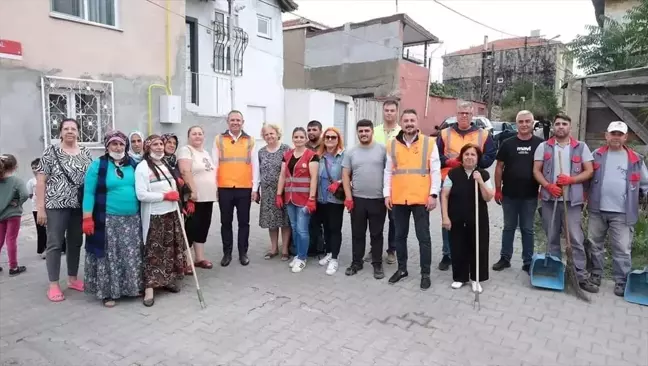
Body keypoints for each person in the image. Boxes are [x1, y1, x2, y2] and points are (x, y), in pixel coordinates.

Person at [533, 113, 596, 293]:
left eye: (564, 124)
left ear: (570, 127)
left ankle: (580, 276)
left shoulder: (581, 147)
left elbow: (589, 171)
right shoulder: (544, 147)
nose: (561, 127)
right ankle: (555, 270)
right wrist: (548, 185)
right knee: (551, 237)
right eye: (558, 124)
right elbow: (536, 171)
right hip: (549, 199)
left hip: (572, 201)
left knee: (575, 239)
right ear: (553, 127)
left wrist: (571, 180)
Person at [586, 121, 648, 296]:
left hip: (623, 212)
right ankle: (595, 274)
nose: (615, 137)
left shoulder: (635, 159)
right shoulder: (596, 155)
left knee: (622, 248)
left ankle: (621, 281)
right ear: (606, 135)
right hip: (597, 209)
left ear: (625, 137)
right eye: (613, 133)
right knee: (594, 244)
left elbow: (646, 184)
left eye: (619, 134)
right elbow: (584, 177)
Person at [82, 131, 142, 308]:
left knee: (130, 255)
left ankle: (131, 288)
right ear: (107, 146)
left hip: (132, 220)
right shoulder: (98, 166)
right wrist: (87, 218)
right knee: (109, 256)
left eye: (121, 144)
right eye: (114, 144)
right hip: (107, 220)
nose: (118, 147)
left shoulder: (134, 164)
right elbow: (89, 192)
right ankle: (108, 292)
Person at [36, 118, 93, 302]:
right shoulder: (50, 152)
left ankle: (72, 278)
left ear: (78, 132)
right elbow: (41, 181)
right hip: (56, 206)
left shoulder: (85, 152)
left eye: (73, 129)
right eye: (66, 128)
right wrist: (40, 209)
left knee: (75, 242)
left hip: (79, 206)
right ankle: (53, 284)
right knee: (54, 243)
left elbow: (91, 179)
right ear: (60, 132)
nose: (70, 131)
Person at [384, 109, 441, 290]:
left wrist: (433, 194)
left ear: (417, 123)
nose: (409, 123)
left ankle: (425, 274)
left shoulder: (429, 143)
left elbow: (435, 171)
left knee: (423, 237)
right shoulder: (392, 144)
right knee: (400, 237)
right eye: (406, 120)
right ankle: (402, 269)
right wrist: (387, 194)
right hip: (399, 198)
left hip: (421, 199)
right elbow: (388, 171)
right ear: (402, 123)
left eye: (412, 120)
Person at [436, 101, 496, 271]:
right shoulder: (445, 133)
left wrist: (476, 163)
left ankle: (469, 252)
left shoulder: (482, 134)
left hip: (473, 178)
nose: (464, 116)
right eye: (461, 113)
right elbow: (435, 156)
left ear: (472, 116)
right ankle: (447, 254)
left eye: (467, 114)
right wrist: (449, 161)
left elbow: (491, 155)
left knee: (471, 217)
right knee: (448, 218)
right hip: (449, 178)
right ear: (456, 114)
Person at [135, 135, 186, 307]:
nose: (159, 147)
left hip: (171, 213)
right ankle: (149, 287)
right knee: (154, 252)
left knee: (170, 249)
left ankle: (167, 280)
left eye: (161, 144)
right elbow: (141, 195)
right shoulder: (142, 168)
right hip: (155, 216)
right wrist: (164, 196)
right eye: (155, 145)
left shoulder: (165, 164)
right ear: (148, 148)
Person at [493, 110, 543, 273]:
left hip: (530, 195)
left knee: (527, 228)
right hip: (509, 195)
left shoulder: (540, 144)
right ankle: (505, 258)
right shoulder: (507, 143)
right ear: (517, 124)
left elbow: (545, 169)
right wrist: (498, 189)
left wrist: (544, 189)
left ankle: (528, 261)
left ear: (532, 123)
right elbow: (499, 167)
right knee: (508, 227)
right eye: (521, 122)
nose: (524, 125)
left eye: (527, 121)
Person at [442, 144, 493, 292]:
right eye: (466, 154)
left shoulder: (483, 174)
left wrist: (481, 182)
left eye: (473, 155)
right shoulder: (453, 173)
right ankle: (460, 277)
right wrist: (445, 217)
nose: (469, 157)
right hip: (456, 217)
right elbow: (444, 195)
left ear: (477, 158)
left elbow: (488, 197)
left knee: (478, 247)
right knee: (458, 246)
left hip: (478, 218)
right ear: (462, 157)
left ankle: (476, 278)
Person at [342, 119, 387, 279]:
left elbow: (389, 174)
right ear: (357, 133)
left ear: (372, 132)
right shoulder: (351, 152)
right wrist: (348, 197)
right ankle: (356, 262)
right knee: (357, 233)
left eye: (366, 131)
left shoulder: (383, 150)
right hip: (358, 200)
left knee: (377, 234)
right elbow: (345, 175)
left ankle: (377, 264)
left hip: (378, 200)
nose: (363, 134)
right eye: (360, 131)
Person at [213, 110, 257, 267]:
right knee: (226, 222)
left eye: (238, 120)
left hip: (244, 187)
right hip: (225, 187)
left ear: (242, 122)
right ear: (228, 121)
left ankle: (243, 253)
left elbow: (255, 165)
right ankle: (227, 253)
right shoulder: (219, 139)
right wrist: (215, 187)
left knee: (244, 222)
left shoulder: (250, 140)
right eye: (232, 120)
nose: (235, 123)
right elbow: (214, 164)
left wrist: (255, 188)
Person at [275, 127, 319, 273]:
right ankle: (299, 254)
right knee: (294, 228)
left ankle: (302, 258)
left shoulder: (312, 156)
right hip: (289, 199)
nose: (298, 139)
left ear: (306, 139)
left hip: (304, 200)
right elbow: (283, 176)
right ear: (292, 138)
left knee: (302, 229)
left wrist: (312, 198)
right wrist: (278, 194)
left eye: (301, 137)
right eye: (296, 137)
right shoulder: (286, 155)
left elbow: (314, 179)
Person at [178, 126, 216, 271]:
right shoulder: (186, 150)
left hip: (208, 197)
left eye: (200, 133)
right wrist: (193, 191)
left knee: (203, 227)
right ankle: (186, 261)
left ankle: (199, 258)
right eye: (194, 134)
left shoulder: (205, 152)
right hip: (194, 198)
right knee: (190, 228)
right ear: (189, 136)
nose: (197, 136)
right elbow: (185, 171)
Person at [253, 124, 291, 261]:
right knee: (271, 221)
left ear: (277, 133)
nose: (269, 136)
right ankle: (274, 248)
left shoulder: (286, 149)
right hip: (267, 192)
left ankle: (285, 249)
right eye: (266, 134)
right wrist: (256, 189)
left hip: (283, 191)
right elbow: (257, 172)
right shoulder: (261, 152)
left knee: (285, 220)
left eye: (271, 133)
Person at [372, 100, 401, 264]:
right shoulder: (374, 131)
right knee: (376, 219)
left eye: (392, 110)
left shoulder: (402, 132)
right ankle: (373, 248)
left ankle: (392, 249)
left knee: (394, 219)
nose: (389, 113)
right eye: (386, 110)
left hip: (395, 183)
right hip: (376, 180)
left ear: (397, 112)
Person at [315, 127, 346, 276]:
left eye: (333, 137)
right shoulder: (320, 156)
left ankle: (335, 258)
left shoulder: (344, 156)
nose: (330, 140)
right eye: (327, 137)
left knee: (335, 228)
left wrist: (339, 182)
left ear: (338, 139)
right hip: (322, 198)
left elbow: (350, 175)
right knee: (326, 227)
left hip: (336, 199)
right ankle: (328, 252)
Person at [27, 158, 66, 258]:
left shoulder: (49, 179)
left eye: (37, 167)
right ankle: (42, 249)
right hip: (36, 208)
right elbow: (30, 194)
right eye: (33, 168)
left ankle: (63, 247)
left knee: (55, 228)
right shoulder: (31, 182)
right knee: (40, 230)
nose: (35, 170)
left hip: (50, 207)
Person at [0, 154, 29, 276]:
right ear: (15, 166)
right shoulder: (17, 181)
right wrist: (18, 203)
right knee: (11, 239)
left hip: (0, 215)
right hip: (13, 214)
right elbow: (25, 194)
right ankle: (13, 267)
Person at [305, 120, 325, 258]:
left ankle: (321, 248)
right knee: (309, 219)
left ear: (320, 131)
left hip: (322, 187)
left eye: (314, 130)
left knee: (321, 220)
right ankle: (310, 247)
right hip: (306, 188)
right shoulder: (304, 146)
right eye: (309, 130)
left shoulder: (325, 145)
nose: (311, 132)